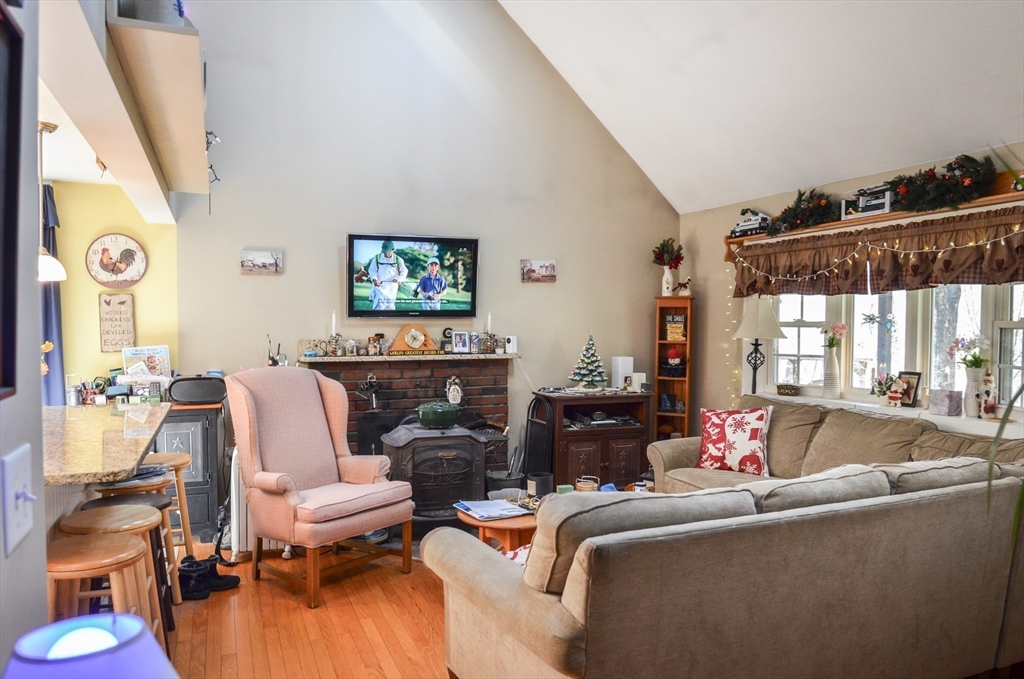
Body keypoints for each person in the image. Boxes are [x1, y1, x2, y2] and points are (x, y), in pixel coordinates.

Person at [367, 240, 408, 311]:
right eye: (384, 252)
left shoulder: (398, 260)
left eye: (388, 252)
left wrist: (399, 279)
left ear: (393, 250)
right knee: (378, 307)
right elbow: (372, 270)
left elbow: (404, 271)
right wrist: (374, 279)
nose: (386, 254)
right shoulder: (377, 258)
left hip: (392, 287)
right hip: (379, 287)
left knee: (390, 307)